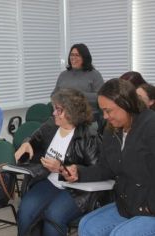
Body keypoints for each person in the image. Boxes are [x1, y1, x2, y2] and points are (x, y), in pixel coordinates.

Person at [59, 79, 155, 236]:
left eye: (108, 110)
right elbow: (106, 168)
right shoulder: (112, 130)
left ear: (126, 104)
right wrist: (79, 173)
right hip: (127, 205)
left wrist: (151, 206)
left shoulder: (151, 125)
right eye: (102, 110)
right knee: (88, 226)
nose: (104, 116)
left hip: (150, 208)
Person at [15, 88, 101, 236]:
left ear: (71, 112)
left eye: (58, 110)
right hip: (49, 181)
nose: (54, 113)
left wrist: (63, 168)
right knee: (25, 211)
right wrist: (26, 143)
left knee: (54, 216)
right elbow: (33, 140)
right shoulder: (51, 125)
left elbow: (98, 170)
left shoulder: (89, 136)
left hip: (76, 189)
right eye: (54, 108)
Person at [52, 43, 104, 112]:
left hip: (88, 119)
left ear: (85, 57)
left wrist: (77, 95)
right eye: (72, 55)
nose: (73, 58)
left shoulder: (95, 75)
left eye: (77, 55)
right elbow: (54, 95)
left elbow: (101, 97)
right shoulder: (63, 75)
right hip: (65, 118)